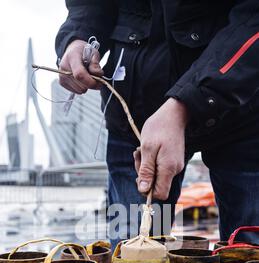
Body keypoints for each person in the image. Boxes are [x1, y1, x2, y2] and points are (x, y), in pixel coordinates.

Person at [56, 1, 259, 247]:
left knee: (249, 251)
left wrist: (186, 103)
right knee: (135, 251)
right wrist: (77, 36)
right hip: (135, 120)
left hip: (239, 113)